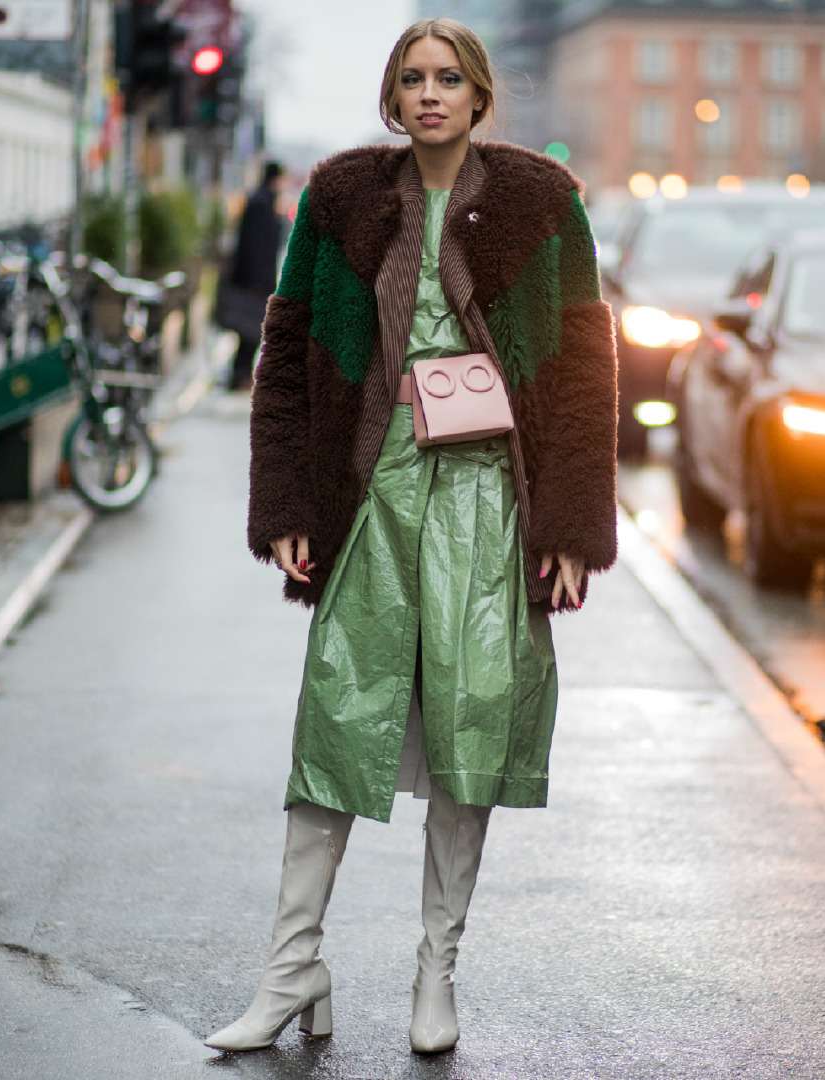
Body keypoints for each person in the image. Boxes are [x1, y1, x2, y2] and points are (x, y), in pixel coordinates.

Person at [208, 17, 617, 1056]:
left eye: (448, 79)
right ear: (391, 97)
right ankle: (291, 966)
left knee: (472, 727)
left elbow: (582, 364)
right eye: (411, 79)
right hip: (375, 494)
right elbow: (288, 351)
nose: (429, 94)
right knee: (335, 720)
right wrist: (289, 508)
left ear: (479, 96)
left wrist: (570, 524)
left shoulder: (541, 203)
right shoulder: (342, 196)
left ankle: (438, 969)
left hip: (490, 498)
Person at [221, 161, 285, 390]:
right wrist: (256, 281)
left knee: (250, 329)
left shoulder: (263, 201)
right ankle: (239, 375)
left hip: (257, 279)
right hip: (254, 282)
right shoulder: (261, 203)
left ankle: (240, 374)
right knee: (249, 328)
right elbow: (255, 246)